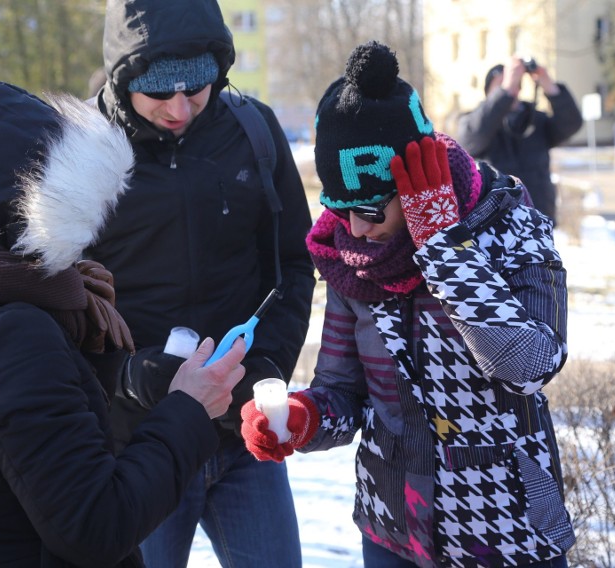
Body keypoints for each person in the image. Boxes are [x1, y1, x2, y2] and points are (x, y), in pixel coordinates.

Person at [0, 80, 247, 568]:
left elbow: (12, 460)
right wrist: (190, 410)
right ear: (28, 197)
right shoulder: (10, 337)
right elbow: (97, 526)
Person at [241, 41, 575, 568]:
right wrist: (304, 419)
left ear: (417, 184)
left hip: (507, 531)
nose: (355, 229)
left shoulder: (512, 225)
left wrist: (441, 247)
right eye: (339, 207)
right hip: (393, 528)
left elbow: (531, 365)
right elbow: (344, 391)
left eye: (371, 208)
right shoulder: (352, 255)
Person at [84, 1, 316, 566]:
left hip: (242, 438)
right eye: (160, 93)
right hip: (138, 448)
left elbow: (290, 267)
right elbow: (57, 305)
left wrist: (265, 370)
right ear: (124, 77)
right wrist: (128, 376)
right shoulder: (81, 155)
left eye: (197, 88)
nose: (181, 108)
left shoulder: (251, 131)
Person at [457, 55, 583, 225]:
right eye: (501, 86)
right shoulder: (476, 121)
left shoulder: (535, 121)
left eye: (515, 84)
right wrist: (506, 91)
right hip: (494, 224)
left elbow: (571, 124)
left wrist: (548, 85)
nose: (511, 90)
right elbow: (469, 141)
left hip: (537, 219)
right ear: (488, 93)